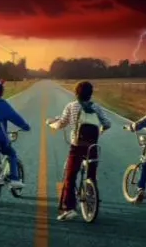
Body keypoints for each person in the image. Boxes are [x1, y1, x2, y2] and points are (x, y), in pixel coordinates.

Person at [47, 80, 111, 221]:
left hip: (77, 146)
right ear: (90, 94)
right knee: (91, 176)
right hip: (93, 146)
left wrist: (51, 124)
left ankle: (68, 208)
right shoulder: (97, 108)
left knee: (70, 177)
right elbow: (107, 123)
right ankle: (91, 201)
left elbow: (62, 123)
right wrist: (100, 130)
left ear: (76, 93)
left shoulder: (71, 106)